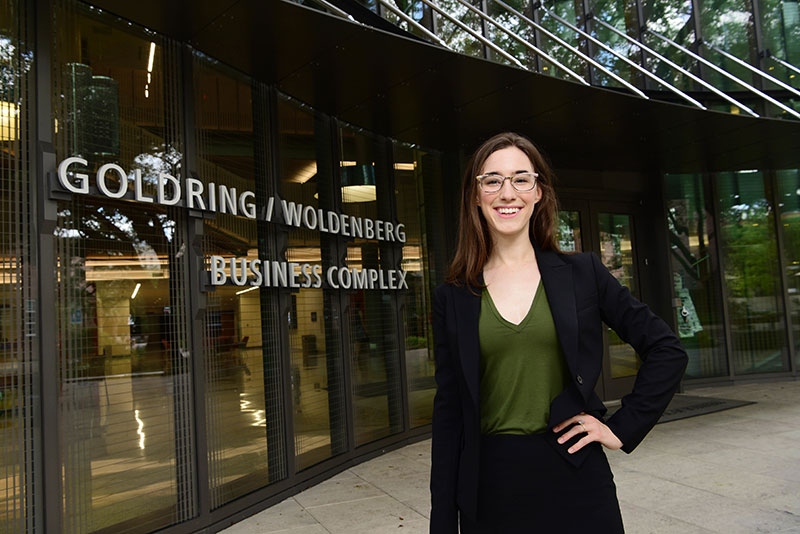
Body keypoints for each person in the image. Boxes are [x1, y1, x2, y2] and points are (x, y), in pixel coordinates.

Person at [429, 132, 688, 534]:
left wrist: (621, 427)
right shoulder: (454, 295)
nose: (506, 192)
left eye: (520, 179)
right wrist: (442, 522)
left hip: (575, 475)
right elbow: (449, 415)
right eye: (492, 180)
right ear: (475, 196)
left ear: (539, 193)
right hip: (491, 486)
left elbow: (666, 349)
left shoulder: (583, 274)